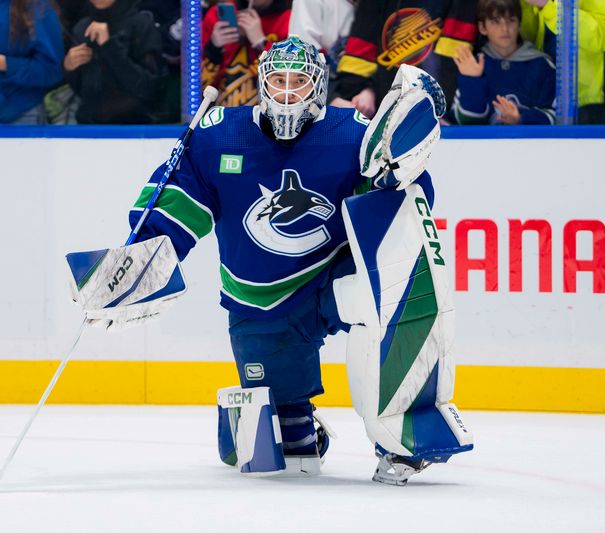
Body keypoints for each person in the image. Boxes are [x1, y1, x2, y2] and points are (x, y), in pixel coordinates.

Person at [71, 37, 473, 484]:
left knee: (400, 281)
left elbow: (409, 212)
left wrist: (396, 172)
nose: (286, 92)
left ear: (317, 86)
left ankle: (408, 429)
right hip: (260, 299)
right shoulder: (218, 134)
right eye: (278, 80)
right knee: (284, 449)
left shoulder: (354, 133)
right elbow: (172, 208)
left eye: (298, 81)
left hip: (334, 278)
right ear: (262, 83)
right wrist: (133, 268)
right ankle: (295, 420)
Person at [332, 0, 478, 119]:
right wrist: (363, 90)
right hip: (383, 115)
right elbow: (358, 58)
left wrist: (436, 111)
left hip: (438, 116)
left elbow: (452, 59)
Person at [453, 0, 555, 125]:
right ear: (482, 27)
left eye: (511, 20)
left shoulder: (542, 64)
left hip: (531, 144)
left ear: (519, 25)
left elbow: (556, 117)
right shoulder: (472, 64)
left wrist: (521, 118)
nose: (504, 29)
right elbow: (466, 121)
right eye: (496, 21)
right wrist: (472, 79)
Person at [63, 0, 166, 124]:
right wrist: (69, 68)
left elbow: (150, 88)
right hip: (90, 128)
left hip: (136, 129)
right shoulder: (82, 28)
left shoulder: (141, 24)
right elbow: (82, 88)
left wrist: (110, 47)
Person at [520, 0, 605, 123]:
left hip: (587, 101)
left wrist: (548, 6)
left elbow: (601, 34)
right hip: (543, 98)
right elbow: (530, 35)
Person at [201, 0, 291, 107]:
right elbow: (197, 86)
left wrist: (261, 43)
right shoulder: (218, 15)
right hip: (219, 111)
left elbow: (292, 84)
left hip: (270, 114)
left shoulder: (291, 19)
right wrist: (213, 48)